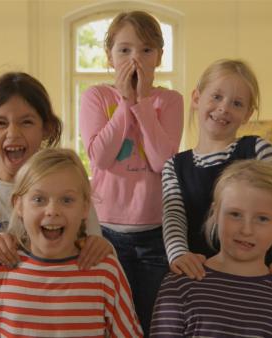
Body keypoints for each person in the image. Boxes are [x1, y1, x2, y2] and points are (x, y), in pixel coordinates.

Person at [0, 148, 143, 338]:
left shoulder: (106, 272)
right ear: (19, 205)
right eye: (39, 199)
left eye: (66, 200)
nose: (52, 210)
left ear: (85, 208)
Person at [78, 10, 184, 336]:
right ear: (110, 57)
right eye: (124, 50)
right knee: (109, 324)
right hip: (106, 233)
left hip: (155, 233)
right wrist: (124, 102)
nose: (135, 58)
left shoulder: (170, 100)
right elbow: (101, 157)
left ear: (160, 57)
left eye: (146, 50)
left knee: (150, 321)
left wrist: (142, 104)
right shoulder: (96, 97)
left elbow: (161, 162)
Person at [162, 59, 272, 292]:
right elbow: (173, 217)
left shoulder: (258, 149)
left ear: (247, 113)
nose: (224, 108)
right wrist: (179, 255)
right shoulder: (174, 166)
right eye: (216, 97)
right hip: (201, 279)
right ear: (196, 98)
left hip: (259, 279)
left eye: (237, 103)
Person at [0, 72, 112, 271]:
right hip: (5, 290)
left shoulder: (64, 174)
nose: (13, 133)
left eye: (26, 122)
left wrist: (104, 246)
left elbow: (95, 241)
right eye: (0, 123)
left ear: (47, 128)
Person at [151, 160, 272, 337]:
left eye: (262, 219)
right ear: (216, 214)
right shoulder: (180, 286)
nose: (246, 230)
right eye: (235, 214)